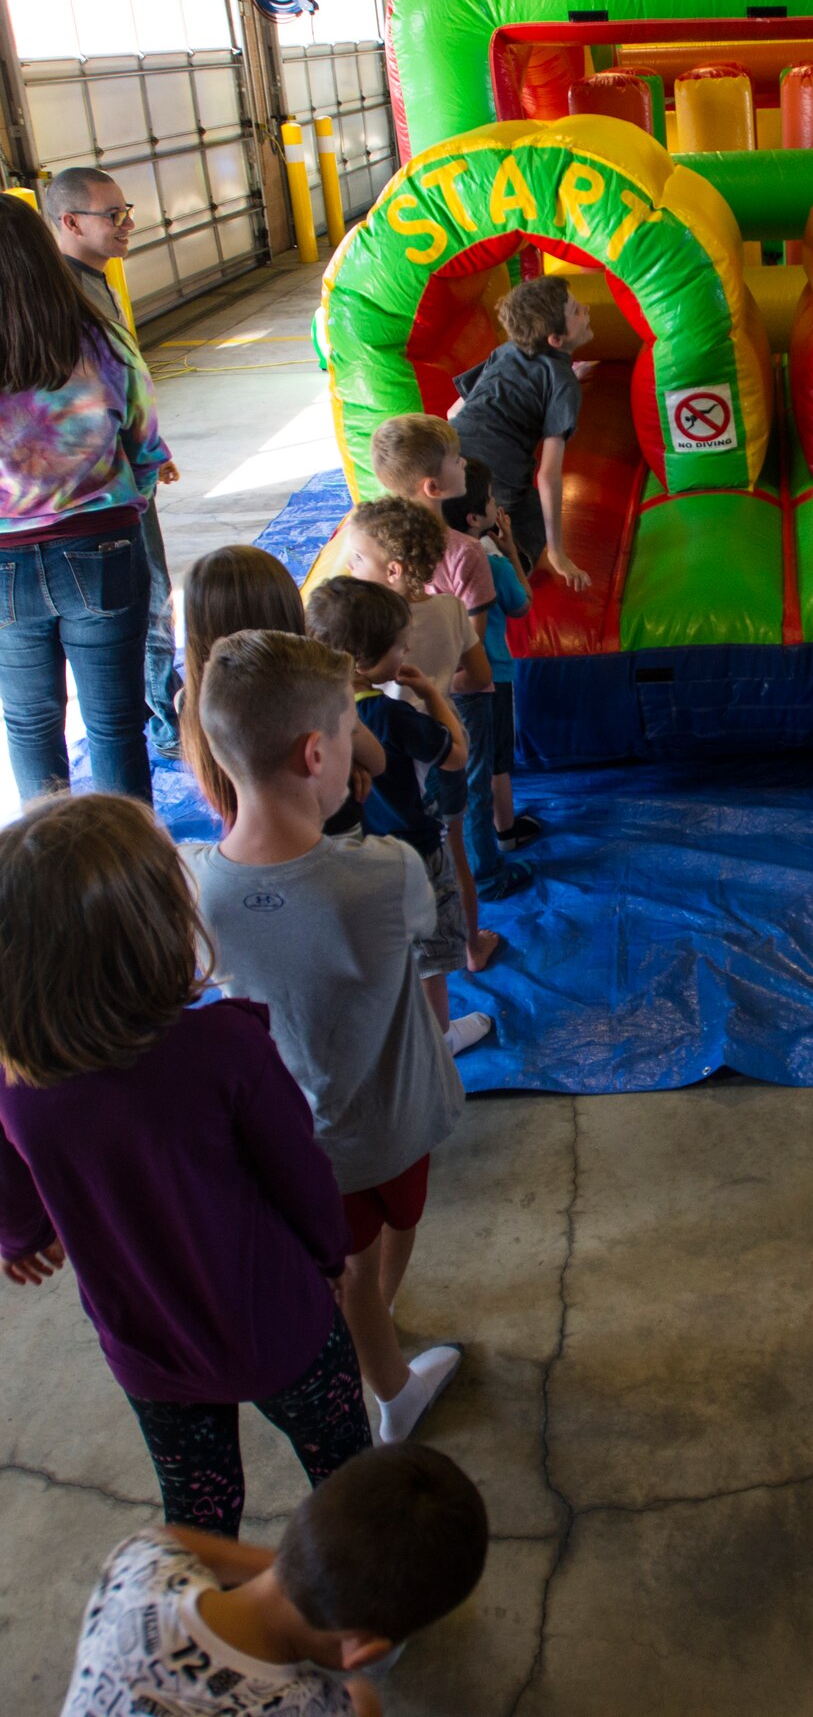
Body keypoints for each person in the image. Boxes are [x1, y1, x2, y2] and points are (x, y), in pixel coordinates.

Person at [0, 792, 371, 1534]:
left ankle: (201, 1635)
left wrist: (20, 1237)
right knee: (348, 1476)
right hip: (279, 1327)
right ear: (158, 930)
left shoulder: (18, 1082)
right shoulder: (225, 1050)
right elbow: (299, 1171)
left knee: (198, 1513)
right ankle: (363, 1620)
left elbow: (15, 1194)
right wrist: (331, 1257)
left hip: (147, 1349)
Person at [181, 630, 468, 1445]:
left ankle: (370, 1334)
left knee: (345, 1255)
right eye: (351, 730)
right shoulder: (385, 872)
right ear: (317, 754)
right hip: (393, 1120)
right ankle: (389, 1382)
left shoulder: (196, 882)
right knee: (377, 1246)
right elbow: (419, 933)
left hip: (293, 1137)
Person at [61, 1443, 488, 1716]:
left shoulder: (140, 1567)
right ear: (362, 1650)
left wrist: (311, 1566)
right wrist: (364, 1702)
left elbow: (170, 1538)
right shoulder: (312, 1708)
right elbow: (357, 1699)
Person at [0, 194, 167, 801]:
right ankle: (133, 867)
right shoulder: (105, 343)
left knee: (28, 723)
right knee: (117, 725)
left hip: (3, 565)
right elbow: (147, 449)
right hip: (104, 546)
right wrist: (126, 506)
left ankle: (49, 877)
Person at [304, 577, 492, 1057]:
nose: (407, 650)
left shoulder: (310, 708)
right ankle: (439, 1037)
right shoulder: (388, 716)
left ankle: (391, 1027)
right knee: (431, 947)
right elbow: (457, 755)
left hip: (349, 848)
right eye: (399, 646)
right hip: (413, 848)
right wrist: (432, 695)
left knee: (380, 944)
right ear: (363, 659)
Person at [43, 166, 183, 760]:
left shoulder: (91, 284)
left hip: (100, 486)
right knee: (145, 598)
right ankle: (161, 714)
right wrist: (140, 463)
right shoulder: (67, 297)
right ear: (69, 223)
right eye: (114, 215)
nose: (127, 225)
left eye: (128, 212)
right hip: (102, 499)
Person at [370, 412, 529, 905]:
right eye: (457, 459)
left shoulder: (378, 549)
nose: (465, 463)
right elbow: (473, 645)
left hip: (405, 694)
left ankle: (439, 871)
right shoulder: (466, 554)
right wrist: (446, 682)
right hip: (463, 695)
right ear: (435, 486)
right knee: (472, 785)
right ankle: (486, 875)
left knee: (433, 789)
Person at [344, 496, 500, 973]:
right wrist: (435, 689)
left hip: (387, 759)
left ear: (392, 571)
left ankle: (398, 953)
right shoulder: (452, 609)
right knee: (452, 851)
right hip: (439, 745)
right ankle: (471, 945)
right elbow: (477, 678)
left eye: (356, 558)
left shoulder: (362, 622)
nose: (348, 566)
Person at [177, 543, 384, 830]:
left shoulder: (188, 700)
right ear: (286, 611)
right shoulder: (317, 687)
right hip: (329, 838)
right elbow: (376, 760)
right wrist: (350, 758)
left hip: (248, 841)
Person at [450, 275, 593, 589]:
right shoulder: (561, 383)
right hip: (497, 481)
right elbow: (548, 475)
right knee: (530, 516)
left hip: (448, 456)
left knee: (458, 509)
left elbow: (454, 411)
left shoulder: (508, 350)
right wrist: (557, 552)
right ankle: (499, 566)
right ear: (555, 339)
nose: (585, 309)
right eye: (576, 311)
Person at [441, 456, 542, 853]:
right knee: (496, 760)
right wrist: (512, 549)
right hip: (490, 675)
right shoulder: (492, 564)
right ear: (473, 518)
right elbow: (521, 605)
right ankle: (504, 833)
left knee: (464, 754)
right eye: (488, 499)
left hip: (446, 677)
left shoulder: (439, 556)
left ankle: (466, 834)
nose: (495, 501)